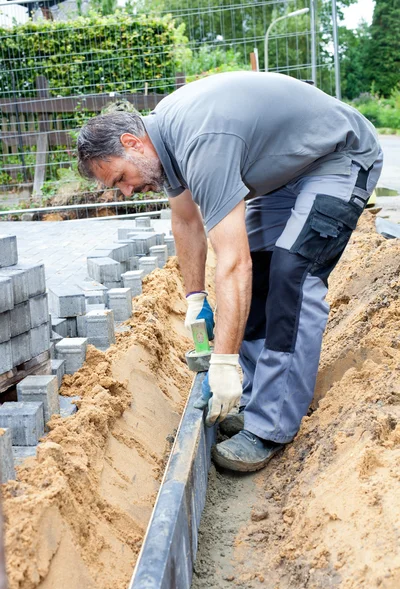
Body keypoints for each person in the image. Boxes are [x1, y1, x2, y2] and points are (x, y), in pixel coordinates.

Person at [77, 71, 383, 472]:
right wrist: (195, 299)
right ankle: (259, 400)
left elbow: (233, 263)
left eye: (120, 178)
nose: (127, 192)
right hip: (286, 176)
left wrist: (222, 362)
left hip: (338, 158)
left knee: (292, 275)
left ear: (132, 143)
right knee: (260, 280)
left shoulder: (201, 143)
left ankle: (271, 426)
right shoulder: (164, 143)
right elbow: (186, 221)